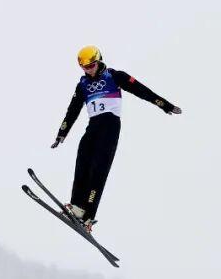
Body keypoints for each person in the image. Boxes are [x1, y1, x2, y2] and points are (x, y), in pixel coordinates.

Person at [51, 45, 181, 232]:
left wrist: (165, 105)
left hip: (110, 127)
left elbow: (142, 90)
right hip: (93, 127)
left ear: (99, 61)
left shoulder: (114, 76)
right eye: (84, 67)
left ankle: (88, 217)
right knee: (82, 162)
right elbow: (72, 110)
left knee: (98, 169)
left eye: (91, 65)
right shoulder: (82, 85)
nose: (89, 70)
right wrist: (61, 133)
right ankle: (77, 207)